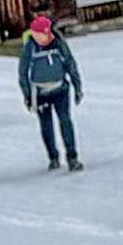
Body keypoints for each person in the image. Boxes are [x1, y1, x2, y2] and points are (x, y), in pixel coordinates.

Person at [18, 13, 85, 172]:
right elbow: (23, 73)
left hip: (61, 90)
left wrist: (77, 86)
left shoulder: (59, 43)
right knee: (46, 126)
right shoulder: (29, 48)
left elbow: (70, 63)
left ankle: (72, 158)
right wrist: (28, 96)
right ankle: (53, 157)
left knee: (65, 122)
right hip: (40, 94)